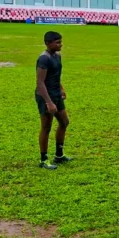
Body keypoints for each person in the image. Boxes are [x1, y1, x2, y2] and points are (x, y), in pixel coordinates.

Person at [35, 31, 71, 170]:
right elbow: (40, 83)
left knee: (64, 122)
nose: (60, 45)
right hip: (45, 95)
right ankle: (43, 160)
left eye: (61, 42)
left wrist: (61, 88)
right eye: (57, 43)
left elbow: (55, 75)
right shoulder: (44, 59)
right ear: (48, 43)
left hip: (56, 94)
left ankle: (59, 155)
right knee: (46, 127)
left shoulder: (57, 56)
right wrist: (49, 102)